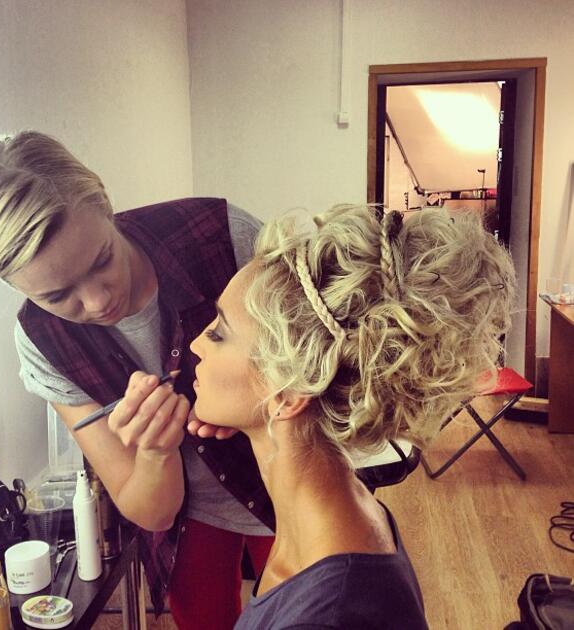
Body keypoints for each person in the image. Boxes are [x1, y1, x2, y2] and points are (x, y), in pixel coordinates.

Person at [0, 131, 275, 629]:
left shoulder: (220, 234)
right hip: (191, 518)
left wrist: (257, 407)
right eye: (57, 296)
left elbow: (321, 378)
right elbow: (151, 512)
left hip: (289, 482)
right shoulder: (41, 342)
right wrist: (154, 453)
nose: (99, 302)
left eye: (102, 259)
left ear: (103, 201)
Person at [190, 205, 515, 629]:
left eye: (218, 333)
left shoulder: (328, 615)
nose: (196, 344)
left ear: (288, 392)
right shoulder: (341, 509)